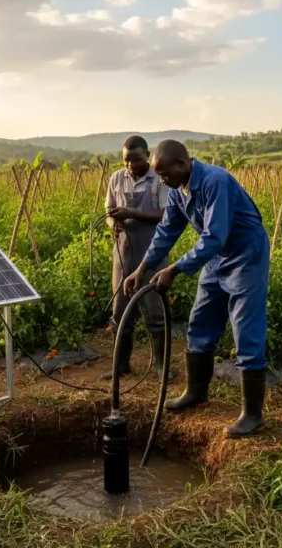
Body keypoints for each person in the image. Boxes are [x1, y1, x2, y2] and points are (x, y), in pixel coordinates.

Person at [124, 139, 269, 438]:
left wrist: (174, 269)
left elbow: (215, 235)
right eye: (159, 175)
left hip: (245, 254)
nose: (162, 180)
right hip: (217, 257)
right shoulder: (179, 190)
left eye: (164, 174)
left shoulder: (216, 181)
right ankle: (196, 391)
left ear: (182, 163)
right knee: (200, 321)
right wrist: (143, 269)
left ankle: (252, 414)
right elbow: (167, 230)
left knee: (245, 329)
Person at [103, 135, 169, 380]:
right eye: (126, 160)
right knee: (120, 312)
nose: (130, 165)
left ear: (147, 155)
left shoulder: (158, 179)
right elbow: (109, 210)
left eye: (136, 160)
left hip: (152, 251)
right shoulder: (116, 178)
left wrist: (131, 213)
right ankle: (120, 366)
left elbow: (164, 214)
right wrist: (112, 223)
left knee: (155, 312)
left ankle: (161, 368)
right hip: (123, 253)